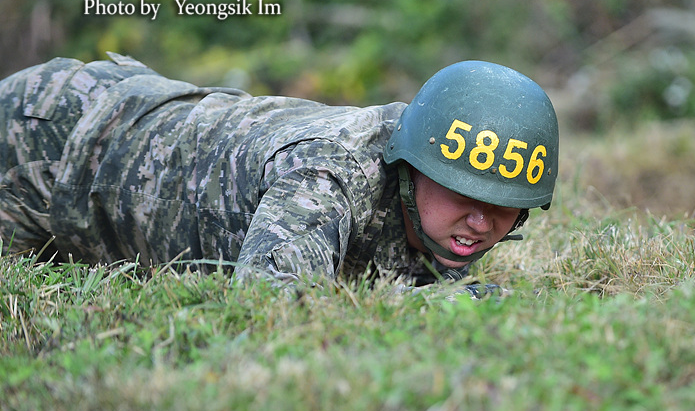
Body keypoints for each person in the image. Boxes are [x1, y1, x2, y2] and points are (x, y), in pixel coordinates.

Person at [0, 52, 559, 286]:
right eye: (463, 194)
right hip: (48, 135)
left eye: (502, 205)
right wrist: (431, 308)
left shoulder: (436, 192)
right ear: (412, 167)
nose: (481, 223)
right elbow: (272, 300)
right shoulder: (328, 178)